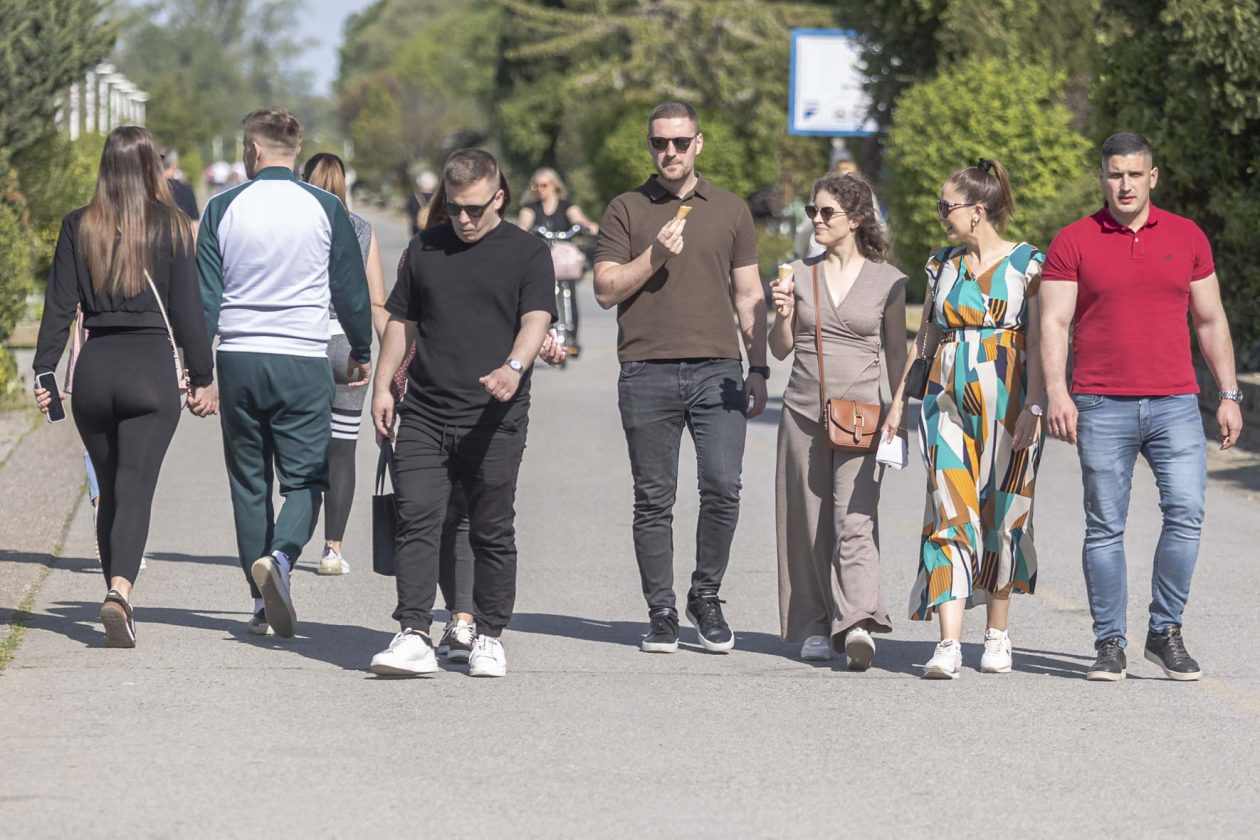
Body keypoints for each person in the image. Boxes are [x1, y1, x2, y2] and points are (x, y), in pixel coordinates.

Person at [1040, 132, 1244, 682]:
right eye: (1114, 174)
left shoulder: (1187, 236)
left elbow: (1210, 319)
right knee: (1105, 526)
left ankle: (1165, 630)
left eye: (1134, 174)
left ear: (1153, 177)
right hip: (1101, 402)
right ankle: (1109, 642)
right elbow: (1054, 322)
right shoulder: (1074, 240)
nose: (1124, 184)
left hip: (1177, 403)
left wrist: (1227, 393)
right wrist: (1058, 392)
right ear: (1102, 177)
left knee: (1187, 513)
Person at [368, 148, 556, 678]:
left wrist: (513, 367)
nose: (465, 219)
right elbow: (401, 323)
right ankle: (411, 632)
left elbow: (537, 317)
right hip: (425, 411)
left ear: (499, 197)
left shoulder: (526, 252)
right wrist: (384, 388)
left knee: (491, 528)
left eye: (475, 208)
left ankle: (489, 634)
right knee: (417, 518)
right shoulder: (425, 248)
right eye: (455, 208)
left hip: (494, 418)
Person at [593, 101, 767, 654]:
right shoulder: (626, 208)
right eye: (659, 143)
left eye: (679, 142)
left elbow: (749, 295)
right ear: (650, 147)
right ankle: (661, 612)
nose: (669, 152)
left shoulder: (731, 210)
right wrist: (653, 256)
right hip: (646, 369)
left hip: (719, 370)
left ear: (699, 143)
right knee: (654, 499)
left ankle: (706, 596)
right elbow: (604, 289)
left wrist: (758, 365)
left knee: (722, 487)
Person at [33, 125, 217, 647]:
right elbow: (188, 313)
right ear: (151, 167)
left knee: (109, 491)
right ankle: (120, 590)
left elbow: (58, 307)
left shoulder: (78, 226)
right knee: (136, 490)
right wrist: (202, 377)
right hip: (151, 372)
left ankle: (115, 591)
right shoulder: (174, 226)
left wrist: (46, 371)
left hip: (95, 371)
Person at [198, 107, 373, 639]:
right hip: (303, 356)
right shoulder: (325, 207)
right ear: (295, 150)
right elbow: (350, 288)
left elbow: (205, 296)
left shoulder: (221, 207)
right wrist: (361, 348)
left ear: (251, 151)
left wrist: (198, 368)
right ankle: (281, 557)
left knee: (249, 482)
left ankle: (258, 602)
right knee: (306, 480)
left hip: (240, 357)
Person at [892, 158, 1046, 680]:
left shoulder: (1028, 263)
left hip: (1011, 403)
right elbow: (927, 338)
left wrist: (1037, 405)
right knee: (949, 507)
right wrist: (898, 403)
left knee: (1004, 507)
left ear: (977, 211)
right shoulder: (942, 265)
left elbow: (1046, 343)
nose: (941, 215)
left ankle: (998, 634)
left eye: (947, 206)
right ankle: (949, 643)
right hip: (945, 401)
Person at [769, 172, 907, 668]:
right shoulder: (797, 273)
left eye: (826, 212)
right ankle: (810, 624)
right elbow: (780, 349)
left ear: (856, 218)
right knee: (808, 523)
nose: (816, 221)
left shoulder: (888, 280)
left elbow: (897, 353)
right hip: (802, 411)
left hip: (863, 416)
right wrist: (782, 314)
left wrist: (900, 409)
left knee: (855, 519)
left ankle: (857, 622)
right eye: (812, 212)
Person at [300, 152, 390, 576]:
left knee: (300, 446)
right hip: (349, 348)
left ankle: (284, 539)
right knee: (343, 450)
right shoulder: (361, 230)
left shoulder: (296, 227)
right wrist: (390, 358)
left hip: (303, 345)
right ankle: (332, 549)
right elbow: (377, 302)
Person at [519, 167, 599, 358]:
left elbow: (579, 219)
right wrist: (524, 232)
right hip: (541, 261)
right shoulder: (531, 208)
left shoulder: (566, 206)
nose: (539, 189)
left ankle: (572, 337)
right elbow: (523, 227)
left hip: (564, 261)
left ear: (555, 186)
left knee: (569, 294)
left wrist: (588, 226)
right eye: (536, 185)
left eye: (544, 185)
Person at [160, 147, 200, 232]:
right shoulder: (185, 190)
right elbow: (194, 225)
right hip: (180, 240)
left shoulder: (148, 188)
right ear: (174, 164)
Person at [405, 170, 438, 238]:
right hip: (434, 233)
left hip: (417, 234)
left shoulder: (413, 198)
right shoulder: (438, 198)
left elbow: (409, 216)